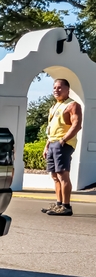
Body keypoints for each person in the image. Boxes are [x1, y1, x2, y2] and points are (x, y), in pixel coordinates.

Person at [42, 78, 83, 216]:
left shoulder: (72, 105)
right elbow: (51, 129)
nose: (56, 90)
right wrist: (47, 145)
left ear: (67, 89)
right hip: (52, 143)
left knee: (62, 175)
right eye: (54, 87)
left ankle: (66, 206)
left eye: (59, 87)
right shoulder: (54, 106)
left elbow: (76, 125)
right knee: (54, 176)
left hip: (63, 144)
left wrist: (63, 140)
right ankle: (59, 204)